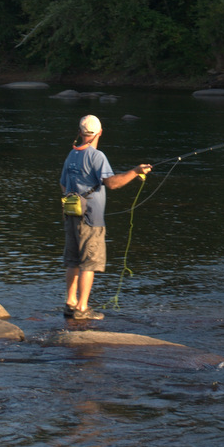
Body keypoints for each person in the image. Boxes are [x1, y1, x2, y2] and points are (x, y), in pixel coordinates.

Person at [59, 114, 151, 320]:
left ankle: (70, 302)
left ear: (80, 133)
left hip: (71, 214)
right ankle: (82, 308)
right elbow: (112, 183)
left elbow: (63, 184)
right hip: (91, 219)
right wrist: (136, 171)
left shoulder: (71, 154)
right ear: (100, 132)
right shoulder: (96, 156)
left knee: (73, 261)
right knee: (88, 263)